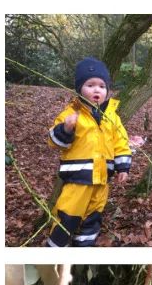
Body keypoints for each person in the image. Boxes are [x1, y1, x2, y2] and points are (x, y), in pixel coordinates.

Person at [45, 57, 131, 247]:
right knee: (67, 217)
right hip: (77, 182)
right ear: (79, 89)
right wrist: (66, 129)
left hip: (102, 183)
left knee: (92, 219)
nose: (96, 90)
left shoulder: (112, 117)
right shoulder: (72, 114)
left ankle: (83, 249)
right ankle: (55, 252)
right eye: (90, 85)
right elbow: (54, 141)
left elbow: (121, 143)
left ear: (107, 90)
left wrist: (123, 167)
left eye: (102, 86)